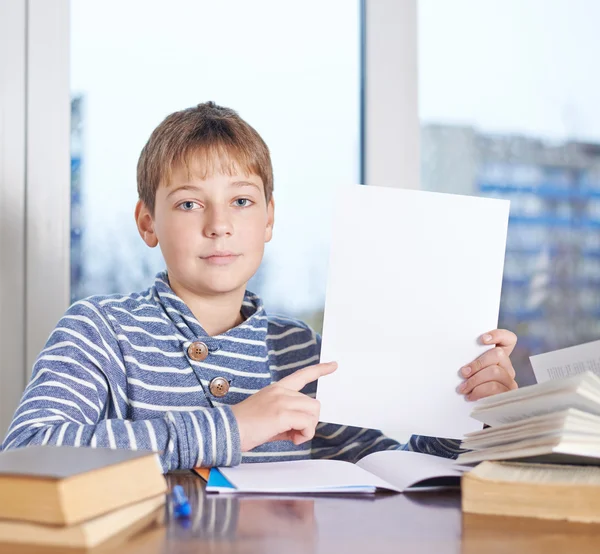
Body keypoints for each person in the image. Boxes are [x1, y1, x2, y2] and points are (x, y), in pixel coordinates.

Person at [1, 102, 518, 471]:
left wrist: (475, 412)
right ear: (147, 222)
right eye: (188, 203)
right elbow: (27, 451)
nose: (219, 224)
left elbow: (395, 468)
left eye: (242, 201)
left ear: (269, 219)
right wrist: (232, 428)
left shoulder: (302, 351)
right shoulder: (100, 330)